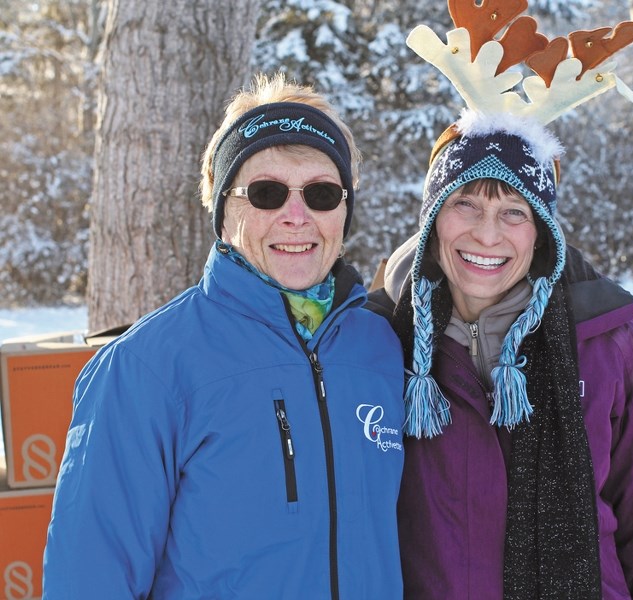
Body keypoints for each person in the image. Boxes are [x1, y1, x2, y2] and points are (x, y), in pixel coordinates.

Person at [367, 4, 633, 599]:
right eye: (466, 203)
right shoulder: (380, 337)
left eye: (513, 213)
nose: (487, 235)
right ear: (433, 215)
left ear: (541, 230)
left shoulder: (611, 344)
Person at [42, 73, 405, 599]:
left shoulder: (381, 348)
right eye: (266, 193)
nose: (296, 217)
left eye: (323, 193)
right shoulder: (147, 367)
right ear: (222, 208)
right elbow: (88, 581)